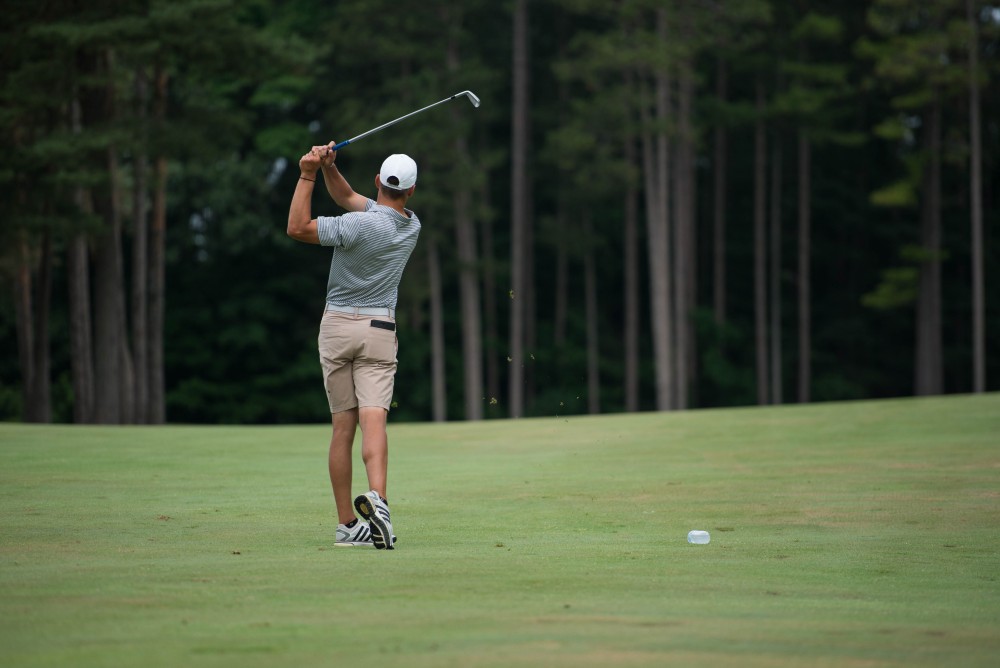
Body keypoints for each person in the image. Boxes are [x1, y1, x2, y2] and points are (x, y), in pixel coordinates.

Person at [287, 142, 421, 550]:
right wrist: (331, 167)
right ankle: (378, 499)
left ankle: (348, 524)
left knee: (342, 428)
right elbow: (347, 196)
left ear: (378, 181)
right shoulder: (410, 225)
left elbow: (297, 227)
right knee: (374, 419)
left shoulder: (358, 225)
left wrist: (308, 173)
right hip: (379, 328)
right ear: (411, 192)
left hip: (338, 327)